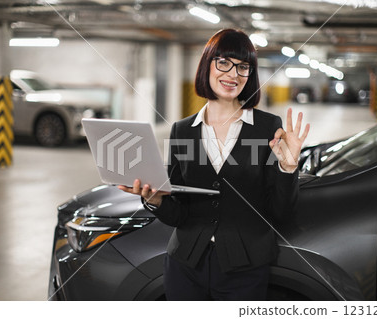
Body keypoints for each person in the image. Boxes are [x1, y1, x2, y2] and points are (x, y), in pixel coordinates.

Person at [118, 28, 310, 301]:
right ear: (207, 65)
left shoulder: (267, 128)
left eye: (243, 67)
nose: (233, 75)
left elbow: (280, 214)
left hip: (244, 269)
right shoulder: (182, 130)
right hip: (185, 267)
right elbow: (179, 216)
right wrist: (157, 200)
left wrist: (288, 168)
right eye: (224, 63)